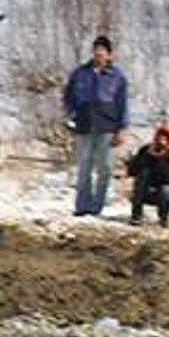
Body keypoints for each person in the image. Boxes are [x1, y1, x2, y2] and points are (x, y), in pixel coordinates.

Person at [62, 35, 130, 217]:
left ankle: (96, 207)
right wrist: (71, 115)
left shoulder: (117, 77)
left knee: (105, 168)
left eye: (103, 51)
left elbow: (122, 104)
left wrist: (122, 128)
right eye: (96, 50)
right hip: (84, 125)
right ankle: (82, 206)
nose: (99, 53)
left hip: (107, 126)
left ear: (109, 55)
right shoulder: (80, 73)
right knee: (84, 166)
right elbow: (68, 97)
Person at [126, 124, 169, 226]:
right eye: (159, 138)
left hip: (164, 187)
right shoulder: (146, 150)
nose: (161, 142)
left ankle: (163, 217)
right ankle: (136, 215)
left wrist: (159, 158)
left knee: (167, 190)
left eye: (165, 139)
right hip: (145, 187)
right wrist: (147, 156)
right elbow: (132, 171)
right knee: (143, 175)